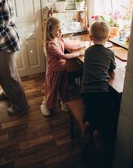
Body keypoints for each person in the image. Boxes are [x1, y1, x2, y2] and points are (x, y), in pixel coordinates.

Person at [80, 21, 116, 157]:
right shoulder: (110, 53)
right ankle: (98, 132)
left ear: (90, 38)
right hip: (101, 91)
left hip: (86, 91)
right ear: (108, 38)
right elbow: (112, 68)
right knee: (103, 113)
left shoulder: (88, 51)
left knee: (90, 109)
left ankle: (87, 123)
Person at [40, 16, 85, 116]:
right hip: (54, 71)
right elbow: (63, 56)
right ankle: (47, 105)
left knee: (64, 87)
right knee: (53, 90)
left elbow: (71, 46)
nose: (61, 32)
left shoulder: (60, 40)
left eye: (61, 29)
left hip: (62, 69)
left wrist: (83, 45)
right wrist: (79, 53)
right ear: (50, 30)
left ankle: (63, 101)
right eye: (58, 30)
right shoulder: (51, 45)